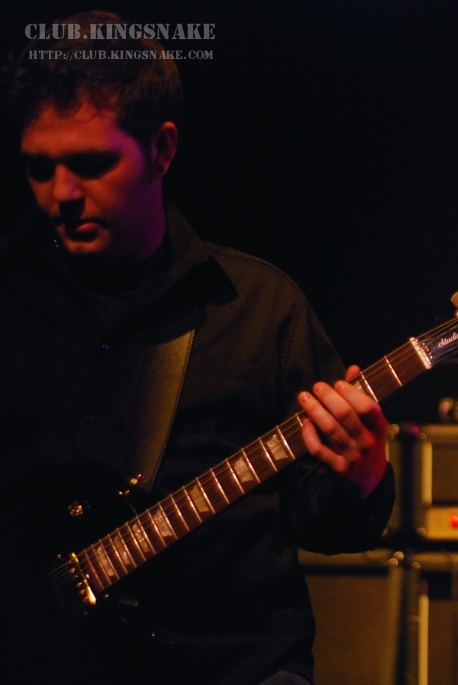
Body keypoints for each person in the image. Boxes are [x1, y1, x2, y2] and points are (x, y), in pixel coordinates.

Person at [0, 10, 395, 685]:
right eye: (40, 168)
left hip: (231, 664)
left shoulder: (258, 307)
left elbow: (326, 528)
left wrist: (361, 476)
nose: (62, 194)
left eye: (92, 164)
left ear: (161, 150)